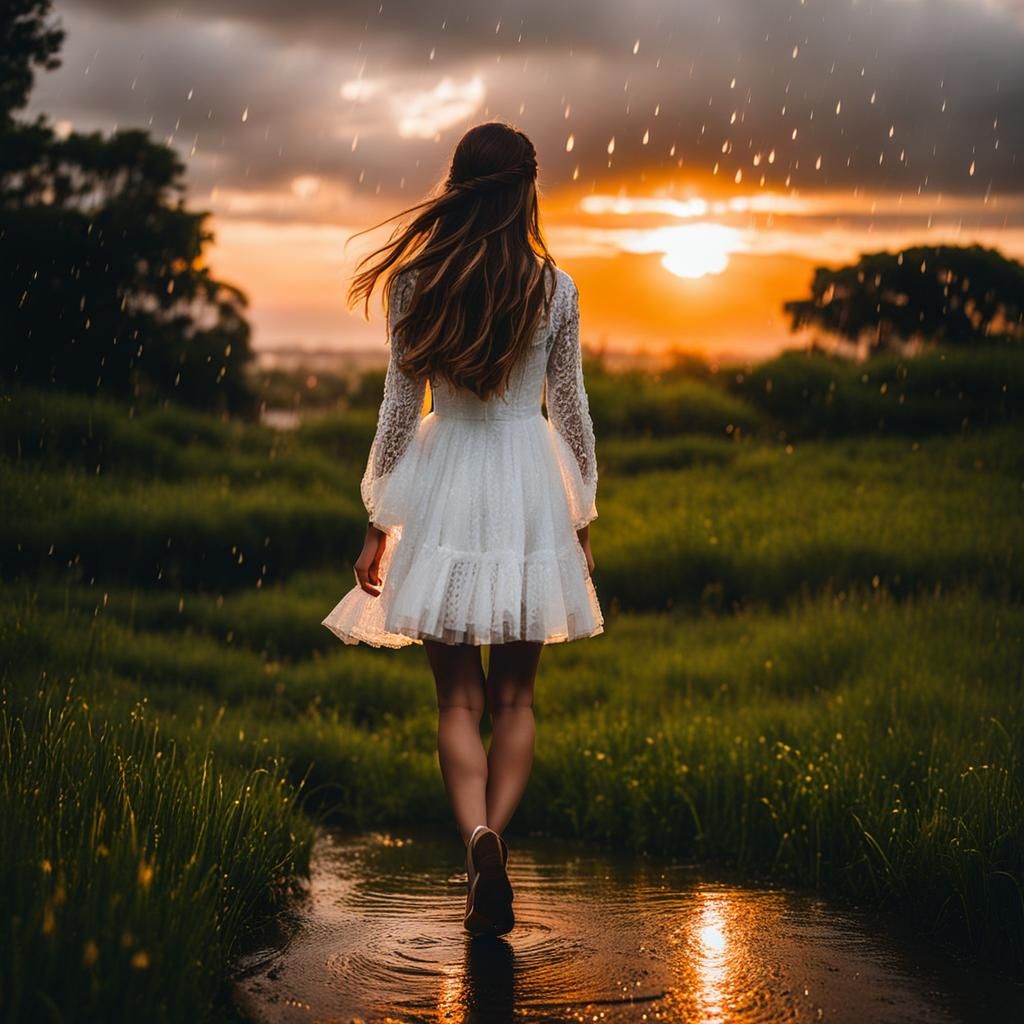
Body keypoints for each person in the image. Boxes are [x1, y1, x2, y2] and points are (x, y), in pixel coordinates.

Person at [322, 120, 603, 937]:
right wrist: (581, 512)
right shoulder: (556, 289)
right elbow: (571, 411)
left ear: (457, 186)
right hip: (527, 487)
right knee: (515, 698)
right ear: (526, 190)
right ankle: (495, 840)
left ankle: (473, 834)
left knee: (457, 699)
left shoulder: (417, 284)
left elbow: (398, 412)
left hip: (442, 483)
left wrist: (379, 520)